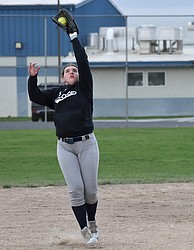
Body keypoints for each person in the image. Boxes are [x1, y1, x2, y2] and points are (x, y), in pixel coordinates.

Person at [28, 9, 99, 247]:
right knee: (75, 190)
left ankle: (92, 222)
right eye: (68, 70)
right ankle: (84, 231)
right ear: (62, 76)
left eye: (74, 70)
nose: (72, 71)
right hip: (64, 147)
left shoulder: (84, 89)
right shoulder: (56, 94)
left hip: (87, 143)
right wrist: (32, 78)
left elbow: (82, 60)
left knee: (90, 191)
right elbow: (35, 95)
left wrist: (73, 36)